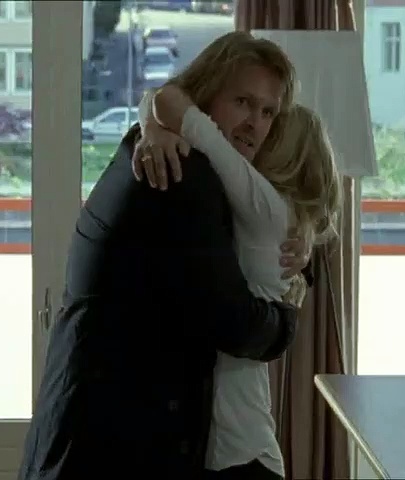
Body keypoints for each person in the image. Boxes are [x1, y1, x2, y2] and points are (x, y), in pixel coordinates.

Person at [18, 32, 311, 480]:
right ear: (205, 95)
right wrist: (287, 316)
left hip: (89, 427)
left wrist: (301, 244)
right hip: (112, 443)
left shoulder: (157, 145)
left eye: (267, 111)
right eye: (242, 102)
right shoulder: (180, 172)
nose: (255, 123)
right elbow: (234, 322)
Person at [133, 84, 341, 480]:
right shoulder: (269, 212)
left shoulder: (264, 206)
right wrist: (152, 127)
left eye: (269, 124)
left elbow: (189, 121)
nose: (254, 130)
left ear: (285, 151)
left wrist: (154, 124)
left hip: (240, 452)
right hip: (237, 443)